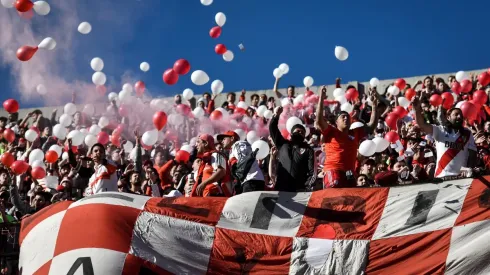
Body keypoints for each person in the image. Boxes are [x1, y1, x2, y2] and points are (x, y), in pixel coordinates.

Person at [315, 85, 379, 188]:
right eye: (342, 117)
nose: (346, 118)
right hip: (333, 169)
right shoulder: (330, 131)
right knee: (334, 189)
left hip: (350, 173)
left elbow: (371, 126)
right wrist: (321, 99)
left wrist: (374, 105)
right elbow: (319, 121)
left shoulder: (355, 132)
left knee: (351, 198)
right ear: (336, 122)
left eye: (347, 117)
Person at [412, 95, 477, 177]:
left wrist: (468, 170)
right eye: (456, 114)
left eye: (461, 115)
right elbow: (421, 124)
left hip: (461, 178)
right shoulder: (439, 130)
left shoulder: (467, 133)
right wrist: (417, 109)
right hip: (441, 177)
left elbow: (472, 154)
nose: (459, 117)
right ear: (448, 117)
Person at [269, 106, 315, 192]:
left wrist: (306, 187)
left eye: (302, 132)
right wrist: (276, 115)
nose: (300, 132)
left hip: (299, 191)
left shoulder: (308, 149)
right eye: (298, 131)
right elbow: (273, 129)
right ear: (292, 133)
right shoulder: (283, 144)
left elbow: (312, 172)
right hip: (281, 189)